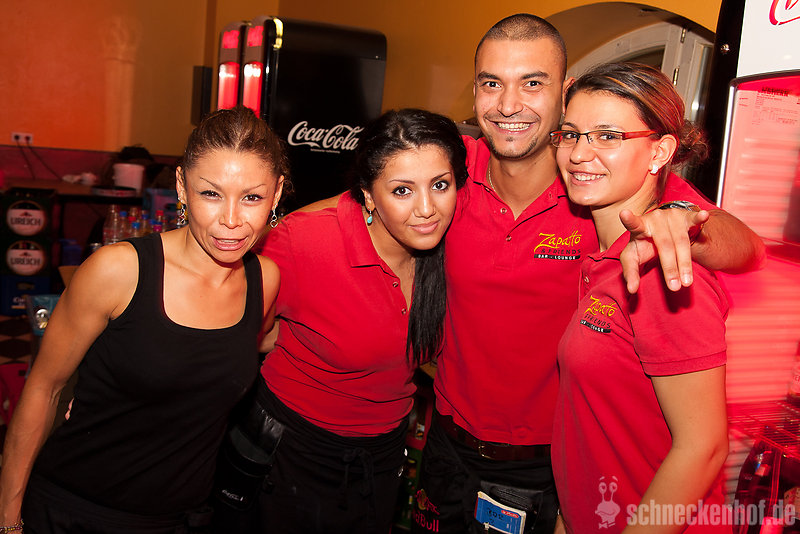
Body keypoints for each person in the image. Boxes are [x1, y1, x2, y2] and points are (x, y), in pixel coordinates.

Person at [412, 14, 764, 534]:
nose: (508, 105)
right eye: (491, 83)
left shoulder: (617, 196)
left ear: (564, 90)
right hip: (450, 447)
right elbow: (368, 195)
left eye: (532, 83)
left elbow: (749, 247)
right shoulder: (449, 173)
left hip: (543, 467)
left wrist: (683, 222)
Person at [0, 105, 286, 534]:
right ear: (182, 187)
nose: (231, 220)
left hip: (181, 519)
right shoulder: (119, 271)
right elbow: (44, 387)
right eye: (211, 194)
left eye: (252, 197)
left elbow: (247, 346)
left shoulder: (265, 280)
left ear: (276, 194)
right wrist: (7, 520)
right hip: (76, 512)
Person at [241, 108, 468, 534]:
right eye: (402, 190)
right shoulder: (306, 242)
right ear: (368, 195)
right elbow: (252, 336)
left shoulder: (455, 244)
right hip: (294, 450)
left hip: (383, 453)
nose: (426, 209)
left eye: (440, 185)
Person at [551, 61, 730, 533]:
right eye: (570, 134)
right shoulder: (606, 257)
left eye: (607, 136)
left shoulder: (664, 272)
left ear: (659, 152)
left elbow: (705, 447)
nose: (578, 153)